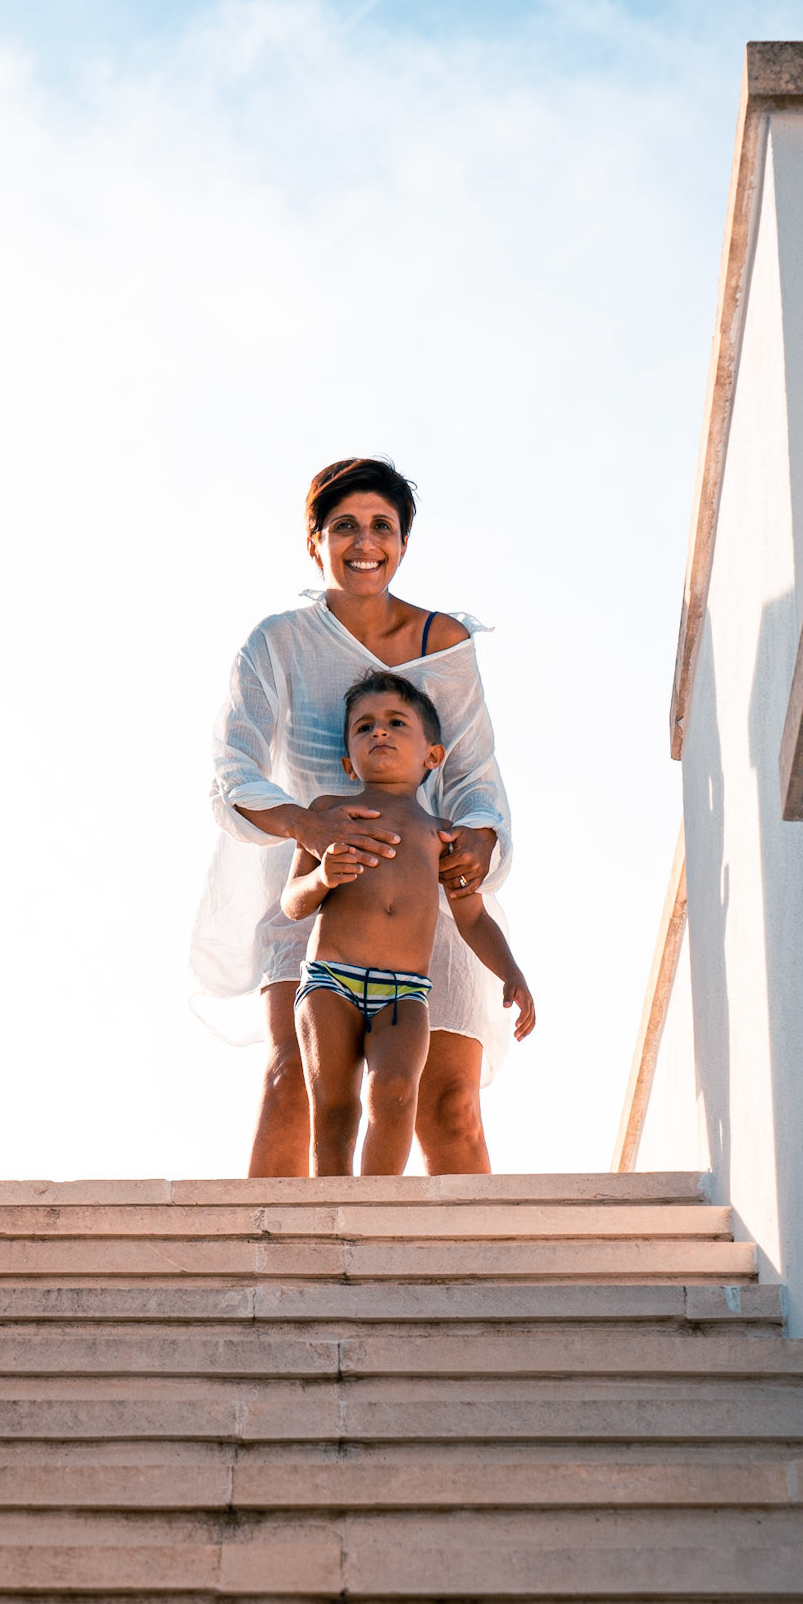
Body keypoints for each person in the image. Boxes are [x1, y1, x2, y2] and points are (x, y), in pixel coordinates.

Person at [192, 455, 515, 1176]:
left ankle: (444, 1251)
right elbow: (232, 769)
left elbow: (474, 776)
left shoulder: (445, 645)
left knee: (448, 1106)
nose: (364, 542)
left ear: (402, 542)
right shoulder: (277, 642)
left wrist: (481, 836)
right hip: (315, 888)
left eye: (381, 526)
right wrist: (306, 826)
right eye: (344, 526)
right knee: (293, 1085)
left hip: (426, 887)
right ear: (315, 542)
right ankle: (276, 1247)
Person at [284, 672, 534, 1175]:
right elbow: (293, 903)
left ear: (432, 756)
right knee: (334, 1108)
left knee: (396, 1092)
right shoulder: (329, 814)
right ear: (347, 761)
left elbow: (473, 917)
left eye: (397, 723)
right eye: (364, 727)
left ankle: (376, 1210)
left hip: (404, 993)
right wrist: (323, 877)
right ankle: (331, 1212)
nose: (379, 731)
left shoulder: (442, 836)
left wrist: (512, 972)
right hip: (330, 981)